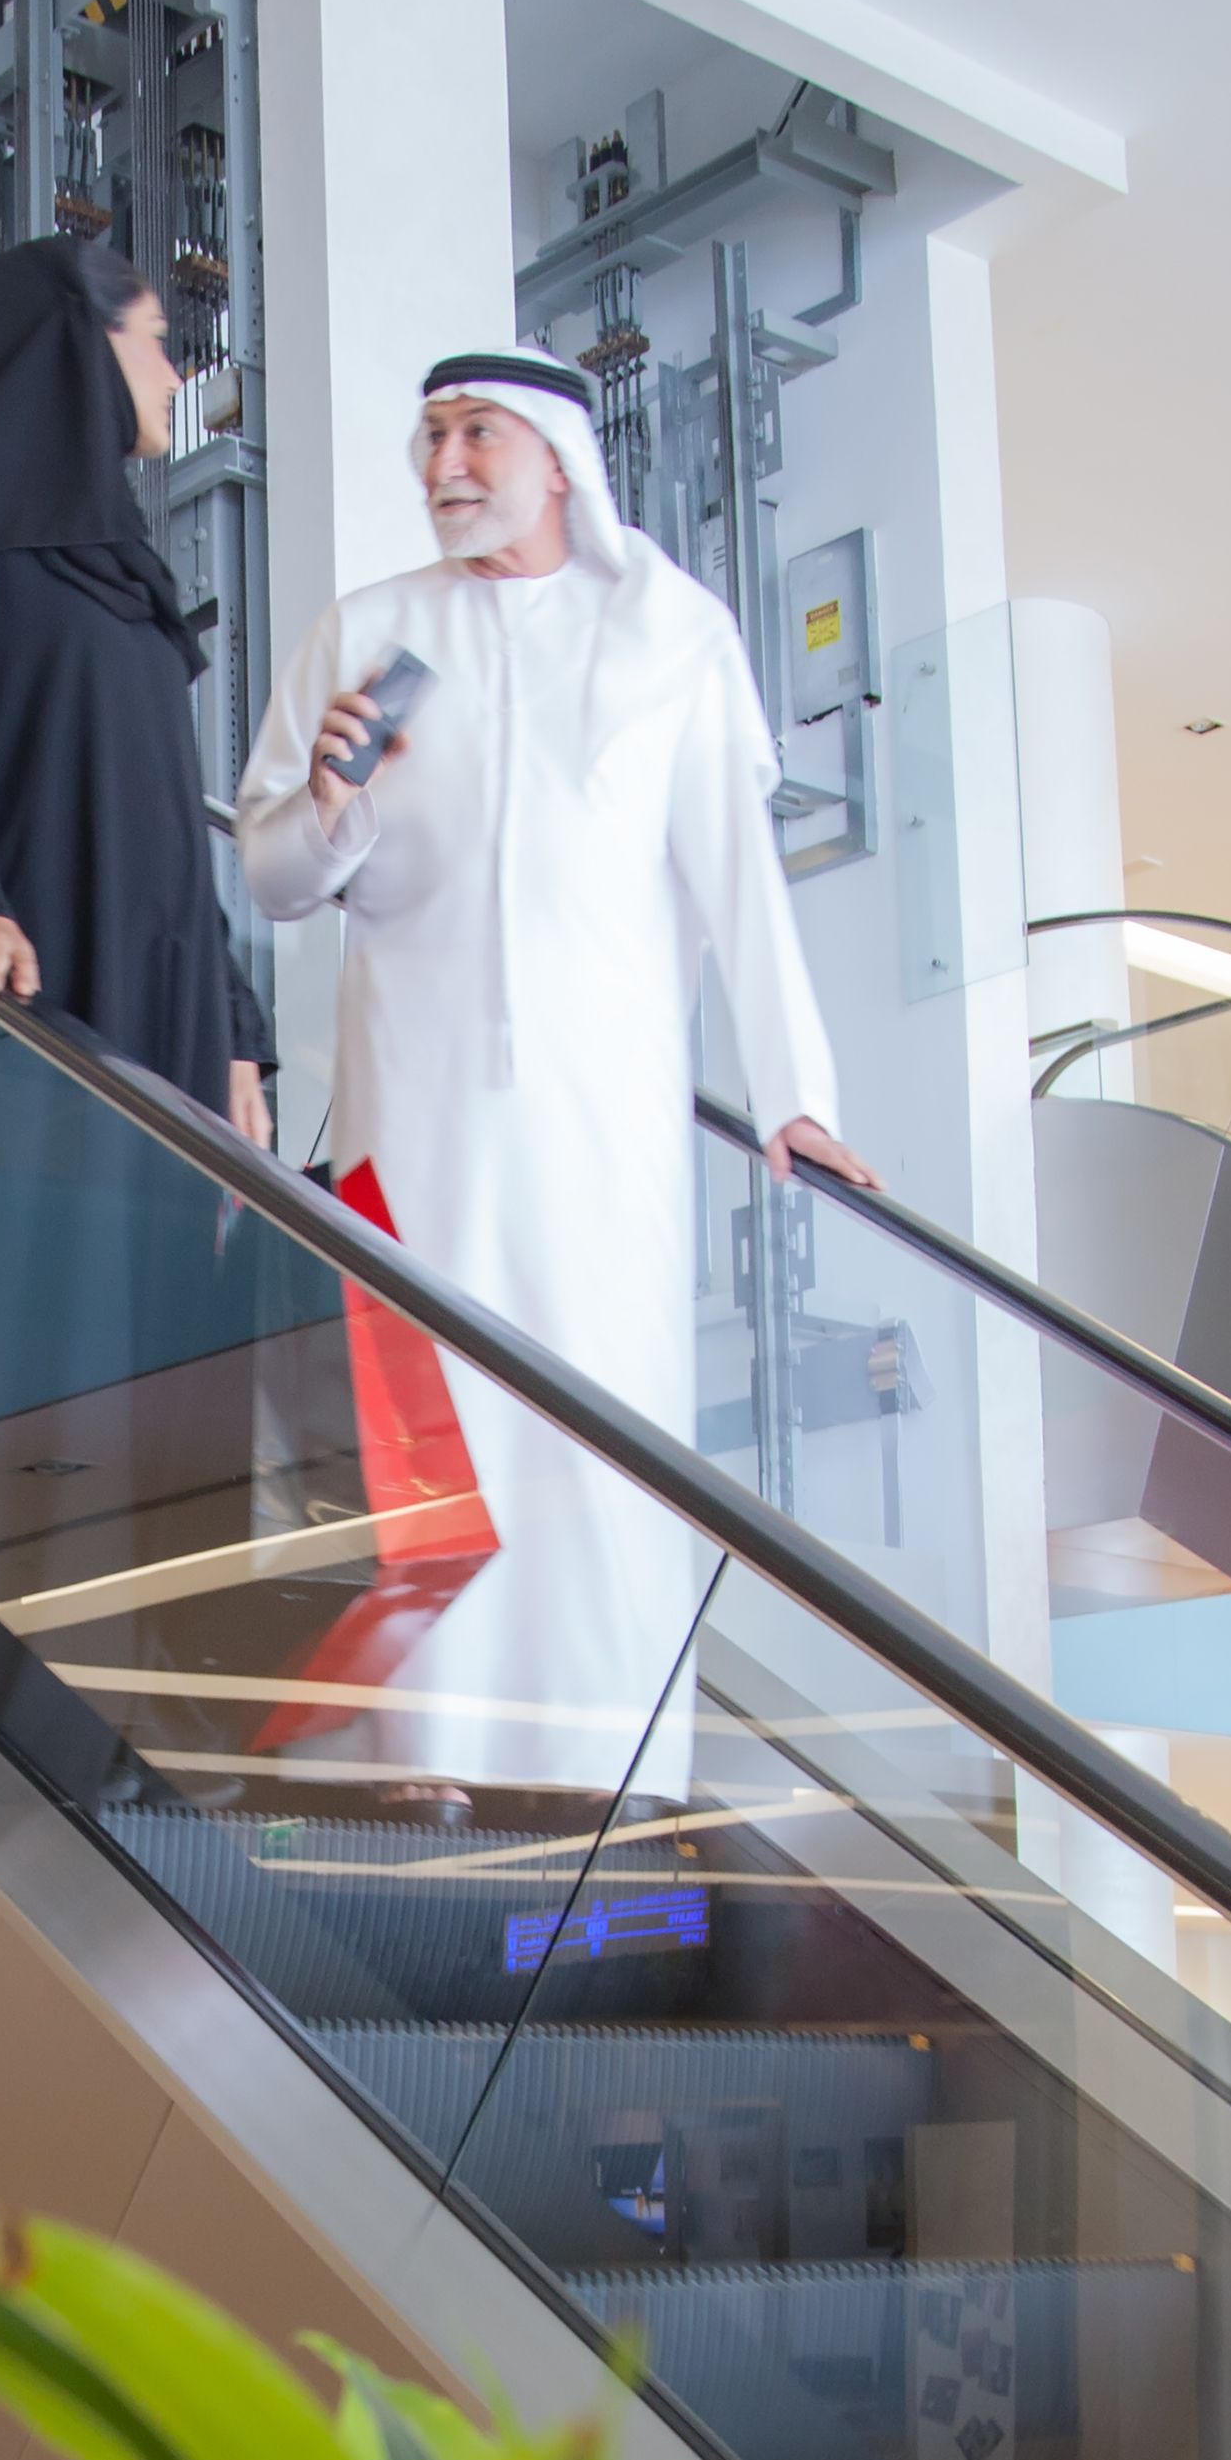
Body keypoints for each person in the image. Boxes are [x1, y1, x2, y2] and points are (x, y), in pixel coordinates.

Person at [231, 345, 872, 1797]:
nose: (440, 464)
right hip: (411, 1096)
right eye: (429, 436)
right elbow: (273, 876)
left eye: (472, 434)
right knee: (428, 1437)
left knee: (600, 1428)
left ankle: (611, 1767)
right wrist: (330, 805)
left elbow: (734, 874)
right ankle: (422, 1754)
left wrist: (795, 1095)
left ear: (556, 458)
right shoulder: (369, 630)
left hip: (605, 1116)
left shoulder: (667, 637)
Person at [0, 235, 290, 1461]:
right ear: (71, 346)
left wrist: (238, 1033)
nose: (168, 364)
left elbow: (170, 822)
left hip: (169, 1006)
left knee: (164, 1330)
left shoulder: (120, 568)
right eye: (149, 334)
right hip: (41, 984)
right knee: (48, 1313)